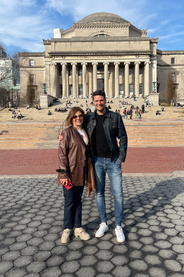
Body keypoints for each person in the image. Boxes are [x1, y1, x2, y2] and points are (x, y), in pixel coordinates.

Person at [86, 90, 127, 243]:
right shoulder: (89, 117)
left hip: (113, 160)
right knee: (99, 193)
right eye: (96, 101)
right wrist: (63, 134)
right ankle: (103, 223)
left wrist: (121, 157)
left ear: (105, 101)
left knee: (118, 194)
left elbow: (123, 136)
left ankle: (118, 225)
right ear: (93, 102)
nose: (99, 103)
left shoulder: (115, 117)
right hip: (96, 160)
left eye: (101, 100)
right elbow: (77, 129)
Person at [57, 107, 95, 244]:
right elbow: (62, 155)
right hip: (69, 173)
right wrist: (64, 174)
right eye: (75, 116)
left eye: (80, 116)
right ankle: (67, 228)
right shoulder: (66, 133)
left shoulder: (85, 132)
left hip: (81, 172)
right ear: (71, 118)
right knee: (69, 201)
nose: (78, 118)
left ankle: (78, 227)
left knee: (78, 200)